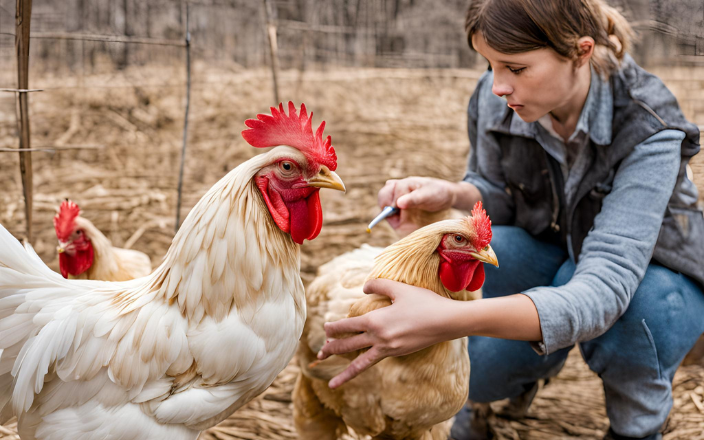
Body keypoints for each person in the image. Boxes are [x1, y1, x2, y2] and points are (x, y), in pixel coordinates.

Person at [315, 1, 704, 439]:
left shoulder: (649, 125)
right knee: (483, 280)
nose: (497, 86)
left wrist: (444, 319)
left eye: (515, 68)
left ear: (581, 52)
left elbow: (604, 286)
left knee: (643, 314)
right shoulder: (496, 95)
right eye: (489, 64)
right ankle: (489, 391)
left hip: (649, 275)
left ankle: (637, 426)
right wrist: (453, 194)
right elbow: (497, 191)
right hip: (552, 249)